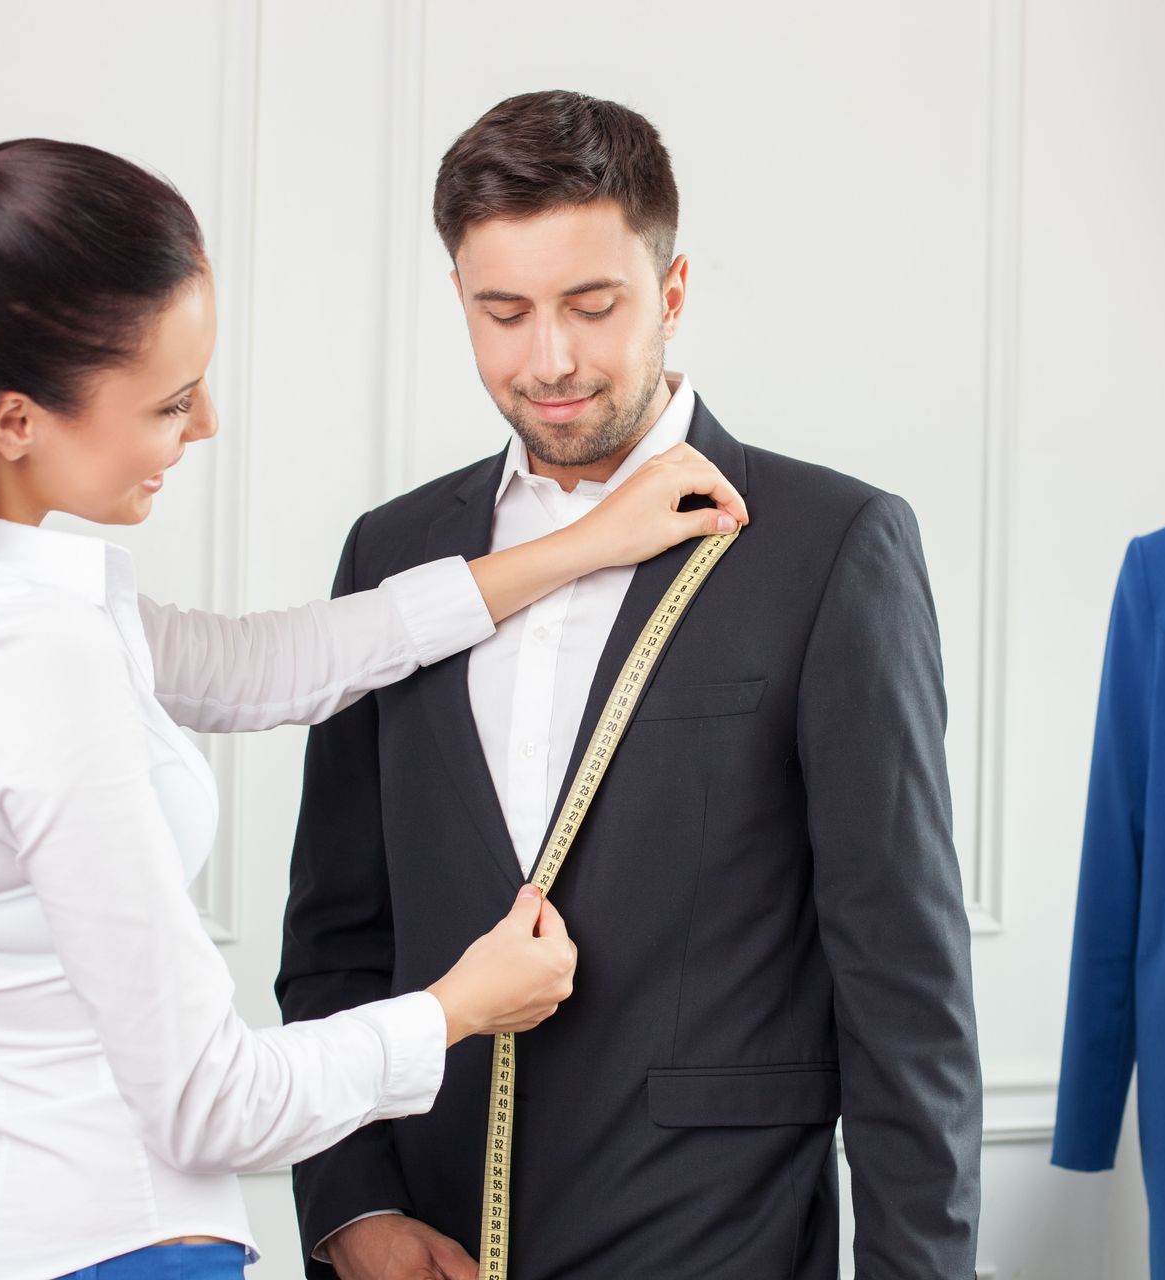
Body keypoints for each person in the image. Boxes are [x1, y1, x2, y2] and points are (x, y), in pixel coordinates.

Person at [0, 137, 745, 1280]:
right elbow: (207, 1102)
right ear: (17, 420)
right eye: (171, 400)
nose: (207, 423)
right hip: (106, 1249)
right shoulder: (37, 656)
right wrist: (457, 1006)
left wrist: (577, 544)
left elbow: (257, 665)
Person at [281, 92, 983, 1280]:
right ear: (458, 295)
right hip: (432, 1240)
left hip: (719, 1243)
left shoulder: (831, 545)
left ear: (671, 289)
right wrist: (350, 1209)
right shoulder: (395, 557)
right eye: (502, 311)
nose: (547, 358)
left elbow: (903, 984)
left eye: (591, 305)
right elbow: (338, 934)